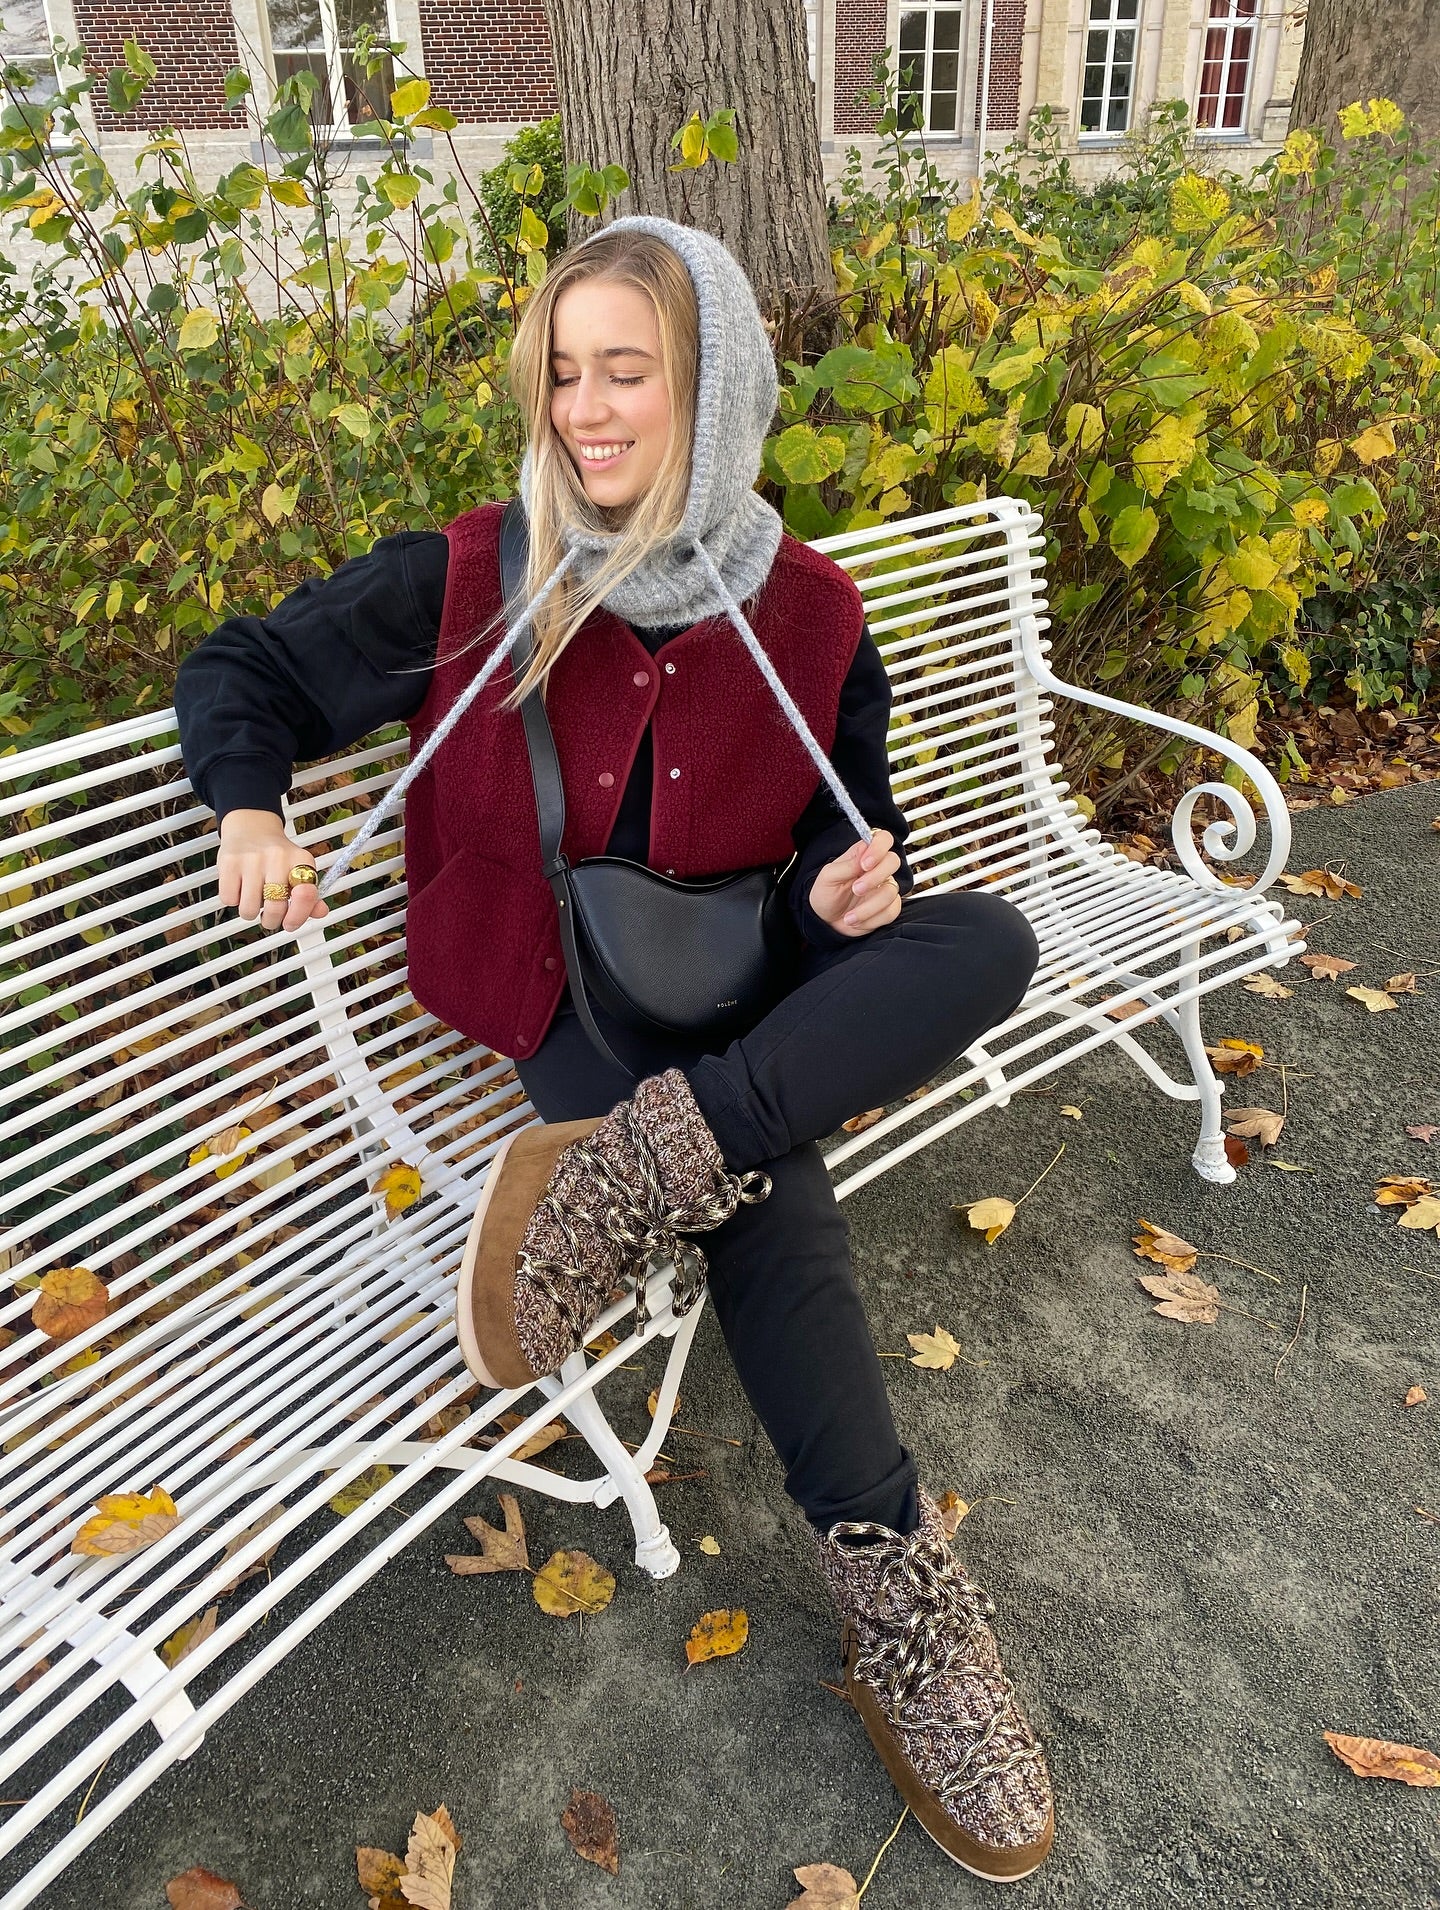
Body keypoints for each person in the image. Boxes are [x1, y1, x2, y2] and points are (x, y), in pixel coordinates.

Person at [175, 215, 1053, 1881]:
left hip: (744, 1000)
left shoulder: (811, 608)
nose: (582, 410)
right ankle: (906, 1608)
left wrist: (849, 894)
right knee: (767, 1191)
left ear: (711, 392)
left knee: (987, 940)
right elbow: (245, 671)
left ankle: (643, 1167)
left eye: (624, 372)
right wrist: (247, 805)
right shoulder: (471, 579)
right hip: (559, 1002)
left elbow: (849, 833)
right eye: (563, 372)